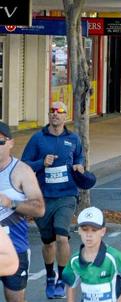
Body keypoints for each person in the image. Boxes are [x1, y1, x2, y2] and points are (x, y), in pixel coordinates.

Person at [21, 101, 84, 299]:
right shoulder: (38, 139)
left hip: (66, 195)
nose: (55, 114)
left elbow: (79, 158)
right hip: (42, 198)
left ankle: (61, 279)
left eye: (60, 111)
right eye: (52, 111)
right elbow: (24, 165)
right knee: (48, 242)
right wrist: (42, 163)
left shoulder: (73, 139)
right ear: (49, 115)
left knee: (62, 236)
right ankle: (50, 275)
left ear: (66, 116)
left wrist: (79, 167)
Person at [0, 121, 45, 302]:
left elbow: (39, 208)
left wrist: (10, 203)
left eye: (0, 142)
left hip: (14, 248)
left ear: (11, 143)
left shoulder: (21, 171)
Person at [61, 207, 121, 302]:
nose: (89, 234)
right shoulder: (75, 260)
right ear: (79, 231)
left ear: (103, 231)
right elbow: (70, 285)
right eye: (85, 230)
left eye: (94, 230)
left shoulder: (113, 257)